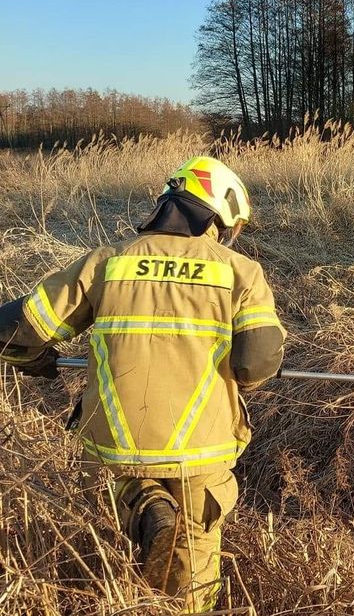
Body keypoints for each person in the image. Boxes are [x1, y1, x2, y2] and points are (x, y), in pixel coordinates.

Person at [0, 156, 286, 612]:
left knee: (116, 511)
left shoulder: (106, 262)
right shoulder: (240, 272)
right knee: (193, 568)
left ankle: (141, 501)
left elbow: (16, 328)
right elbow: (255, 365)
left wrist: (31, 358)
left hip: (116, 440)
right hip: (200, 448)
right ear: (220, 213)